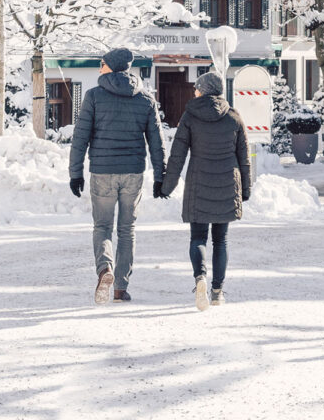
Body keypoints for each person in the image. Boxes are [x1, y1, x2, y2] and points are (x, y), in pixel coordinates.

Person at [68, 47, 165, 304]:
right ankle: (121, 287)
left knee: (102, 226)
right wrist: (160, 175)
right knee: (127, 229)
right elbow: (157, 141)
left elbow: (80, 138)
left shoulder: (93, 97)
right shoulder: (145, 99)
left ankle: (104, 269)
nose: (100, 67)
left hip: (102, 171)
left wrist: (75, 173)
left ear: (111, 66)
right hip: (133, 172)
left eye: (102, 63)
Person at [157, 71, 251, 311]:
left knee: (198, 237)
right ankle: (217, 291)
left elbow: (178, 155)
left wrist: (167, 186)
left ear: (204, 90)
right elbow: (244, 158)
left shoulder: (190, 117)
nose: (194, 91)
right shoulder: (234, 117)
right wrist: (245, 190)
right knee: (221, 240)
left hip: (198, 184)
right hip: (228, 185)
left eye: (197, 88)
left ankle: (200, 279)